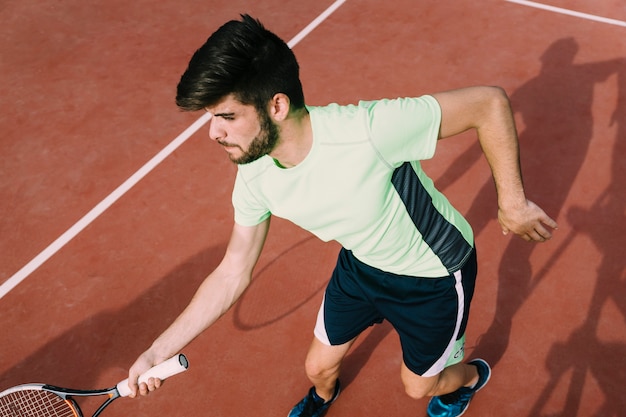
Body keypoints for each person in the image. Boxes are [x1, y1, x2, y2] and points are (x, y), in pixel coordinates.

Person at [127, 14, 558, 417]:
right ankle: (323, 396)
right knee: (317, 370)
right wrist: (157, 350)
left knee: (418, 387)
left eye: (226, 117)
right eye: (209, 118)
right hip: (361, 268)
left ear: (276, 106)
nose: (213, 132)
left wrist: (513, 204)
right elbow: (231, 272)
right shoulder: (254, 174)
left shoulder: (367, 131)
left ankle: (468, 378)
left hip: (434, 276)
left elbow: (488, 104)